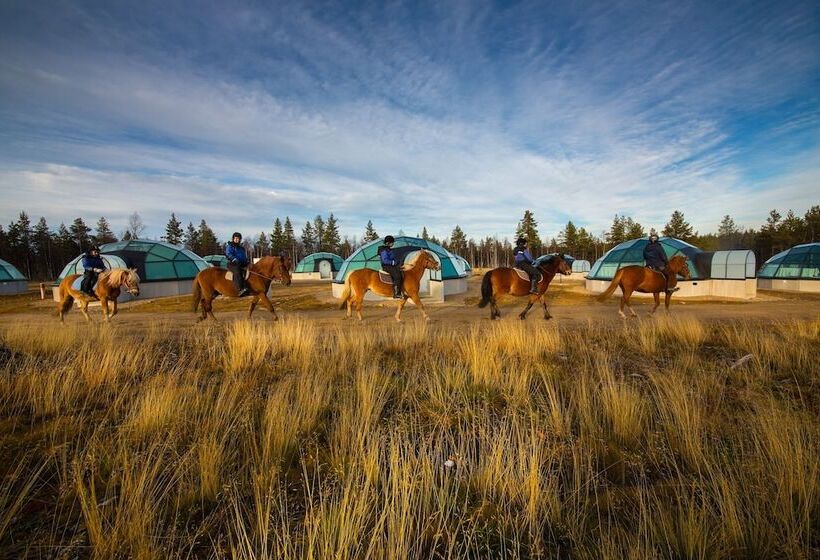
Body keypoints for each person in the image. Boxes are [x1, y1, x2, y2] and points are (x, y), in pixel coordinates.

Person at [225, 232, 251, 297]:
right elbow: (228, 254)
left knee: (249, 270)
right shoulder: (230, 246)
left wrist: (247, 261)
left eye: (238, 239)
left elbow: (243, 256)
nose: (237, 240)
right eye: (236, 238)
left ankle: (248, 287)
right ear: (233, 239)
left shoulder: (241, 248)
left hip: (241, 263)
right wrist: (234, 259)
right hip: (232, 263)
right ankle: (240, 289)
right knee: (237, 271)